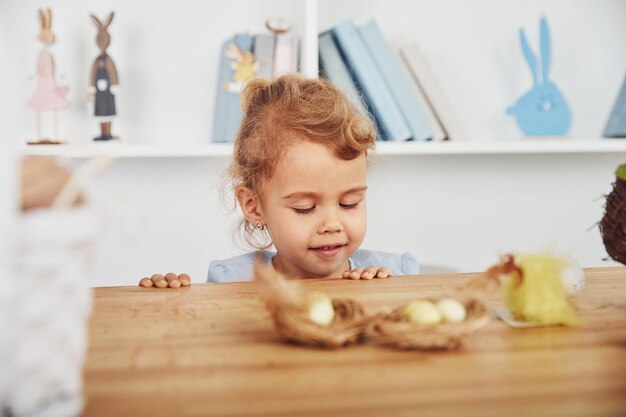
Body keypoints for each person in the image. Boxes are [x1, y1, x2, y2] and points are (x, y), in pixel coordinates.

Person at [207, 74, 418, 283]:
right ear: (254, 206)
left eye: (348, 204)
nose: (332, 225)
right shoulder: (231, 282)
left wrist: (380, 299)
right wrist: (174, 294)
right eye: (305, 208)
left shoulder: (393, 276)